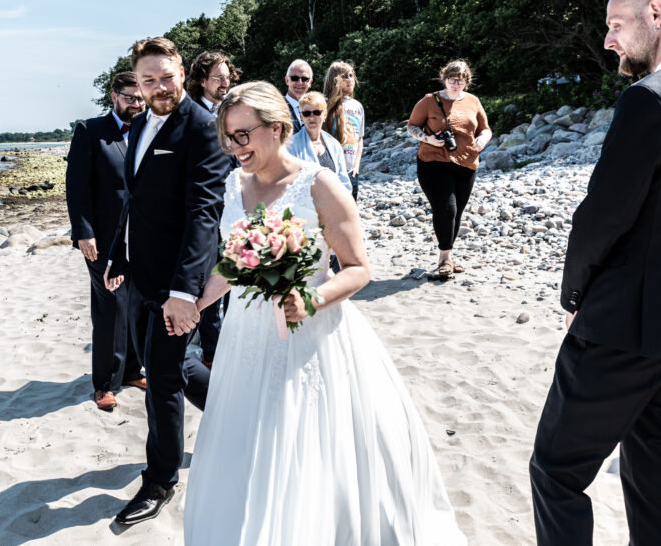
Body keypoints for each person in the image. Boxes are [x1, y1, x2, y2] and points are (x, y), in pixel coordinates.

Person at [183, 81, 466, 545]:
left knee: (304, 441)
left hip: (311, 333)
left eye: (241, 135)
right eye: (227, 138)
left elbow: (358, 270)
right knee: (245, 444)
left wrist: (309, 300)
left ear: (276, 129)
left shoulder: (320, 184)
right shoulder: (232, 186)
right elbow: (235, 263)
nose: (233, 147)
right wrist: (193, 306)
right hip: (244, 337)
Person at [529, 0, 661, 545]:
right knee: (655, 477)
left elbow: (602, 218)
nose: (608, 39)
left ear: (658, 14)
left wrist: (575, 295)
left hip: (618, 328)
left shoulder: (652, 97)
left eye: (616, 24)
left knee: (557, 472)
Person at [104, 37, 229, 526]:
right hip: (140, 275)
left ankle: (160, 480)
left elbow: (204, 214)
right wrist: (118, 254)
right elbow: (132, 200)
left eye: (166, 77)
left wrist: (184, 295)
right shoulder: (139, 125)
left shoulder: (203, 129)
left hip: (177, 284)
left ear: (184, 73)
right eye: (147, 80)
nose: (157, 88)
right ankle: (233, 407)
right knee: (172, 369)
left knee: (159, 381)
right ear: (136, 82)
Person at [65, 72, 146, 411]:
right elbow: (76, 186)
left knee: (135, 305)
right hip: (102, 239)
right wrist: (83, 232)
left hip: (141, 236)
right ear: (114, 96)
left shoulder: (148, 130)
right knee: (109, 306)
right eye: (130, 97)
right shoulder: (90, 131)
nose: (137, 104)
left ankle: (130, 371)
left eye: (140, 98)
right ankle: (103, 383)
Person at [406, 60, 492, 281]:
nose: (456, 84)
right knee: (447, 209)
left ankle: (449, 255)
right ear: (444, 79)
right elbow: (411, 126)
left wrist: (482, 139)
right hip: (433, 162)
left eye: (460, 80)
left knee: (458, 212)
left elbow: (485, 129)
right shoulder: (429, 101)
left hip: (466, 163)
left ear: (466, 81)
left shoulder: (473, 101)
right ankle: (444, 259)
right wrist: (428, 139)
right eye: (452, 79)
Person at [186, 50, 241, 367]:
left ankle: (232, 344)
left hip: (237, 208)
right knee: (208, 282)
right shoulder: (191, 116)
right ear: (201, 81)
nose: (225, 82)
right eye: (217, 77)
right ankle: (211, 354)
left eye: (227, 76)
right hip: (206, 212)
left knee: (237, 276)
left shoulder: (235, 112)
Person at [287, 90, 352, 192]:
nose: (312, 117)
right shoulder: (290, 145)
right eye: (307, 113)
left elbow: (344, 181)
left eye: (317, 112)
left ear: (325, 115)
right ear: (301, 117)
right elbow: (288, 183)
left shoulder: (334, 145)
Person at [321, 61, 365, 199]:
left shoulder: (357, 106)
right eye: (345, 76)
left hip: (351, 171)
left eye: (352, 75)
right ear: (335, 79)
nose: (351, 79)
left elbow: (359, 138)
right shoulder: (323, 104)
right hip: (329, 171)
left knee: (351, 213)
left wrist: (356, 166)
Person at [282, 59, 311, 134]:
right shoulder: (277, 107)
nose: (300, 82)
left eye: (304, 79)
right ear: (287, 80)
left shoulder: (316, 108)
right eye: (294, 78)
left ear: (310, 82)